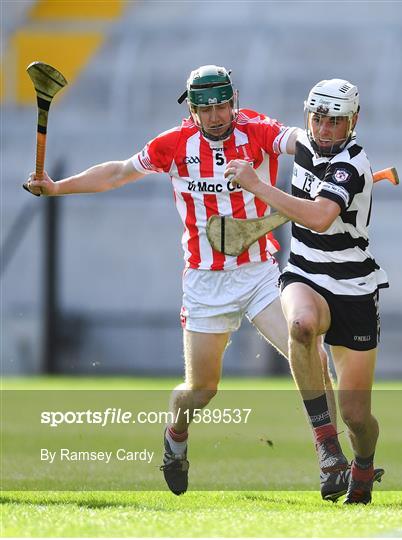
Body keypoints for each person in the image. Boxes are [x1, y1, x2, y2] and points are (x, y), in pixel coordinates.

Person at [25, 66, 351, 500]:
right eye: (206, 109)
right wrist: (57, 187)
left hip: (260, 273)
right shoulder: (174, 145)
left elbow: (294, 139)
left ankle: (331, 456)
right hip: (204, 282)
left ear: (234, 101)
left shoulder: (256, 130)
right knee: (201, 389)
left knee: (306, 342)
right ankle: (175, 435)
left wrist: (330, 149)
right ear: (191, 109)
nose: (216, 117)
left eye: (223, 106)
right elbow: (119, 172)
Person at [225, 78, 386, 504]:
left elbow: (318, 217)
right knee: (300, 325)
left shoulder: (352, 163)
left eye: (336, 121)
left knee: (357, 416)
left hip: (353, 288)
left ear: (353, 121)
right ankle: (327, 447)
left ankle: (364, 463)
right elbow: (256, 125)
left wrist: (257, 186)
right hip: (305, 273)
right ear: (306, 115)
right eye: (318, 118)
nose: (326, 129)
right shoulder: (302, 143)